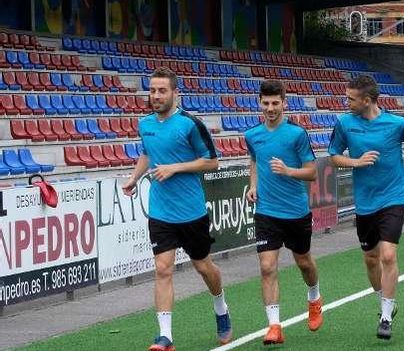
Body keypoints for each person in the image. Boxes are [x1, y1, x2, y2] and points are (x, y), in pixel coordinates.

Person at [121, 67, 229, 351]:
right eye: (152, 90)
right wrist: (133, 178)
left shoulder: (191, 125)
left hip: (191, 211)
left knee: (203, 266)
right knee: (162, 269)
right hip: (161, 212)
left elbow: (211, 162)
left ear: (175, 94)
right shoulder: (145, 124)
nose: (155, 96)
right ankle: (165, 336)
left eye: (161, 91)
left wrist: (175, 168)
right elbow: (147, 153)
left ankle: (220, 306)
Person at [328, 75, 404, 340]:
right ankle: (385, 300)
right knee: (371, 259)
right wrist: (356, 162)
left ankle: (385, 317)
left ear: (367, 100)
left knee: (387, 255)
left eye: (350, 98)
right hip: (365, 202)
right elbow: (334, 156)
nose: (346, 102)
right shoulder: (345, 123)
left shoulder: (397, 123)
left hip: (393, 197)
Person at [244, 80, 323, 345]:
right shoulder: (252, 135)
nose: (270, 108)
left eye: (275, 103)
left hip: (296, 211)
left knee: (304, 263)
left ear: (284, 103)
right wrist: (252, 185)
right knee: (267, 267)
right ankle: (274, 326)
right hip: (266, 211)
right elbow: (254, 161)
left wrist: (289, 171)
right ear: (259, 103)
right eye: (265, 103)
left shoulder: (296, 134)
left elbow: (312, 172)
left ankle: (314, 296)